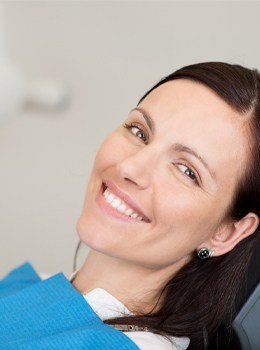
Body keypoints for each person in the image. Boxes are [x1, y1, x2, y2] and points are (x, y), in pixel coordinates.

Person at [2, 61, 260, 350]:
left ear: (226, 233)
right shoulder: (32, 286)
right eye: (139, 132)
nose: (130, 167)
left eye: (187, 171)